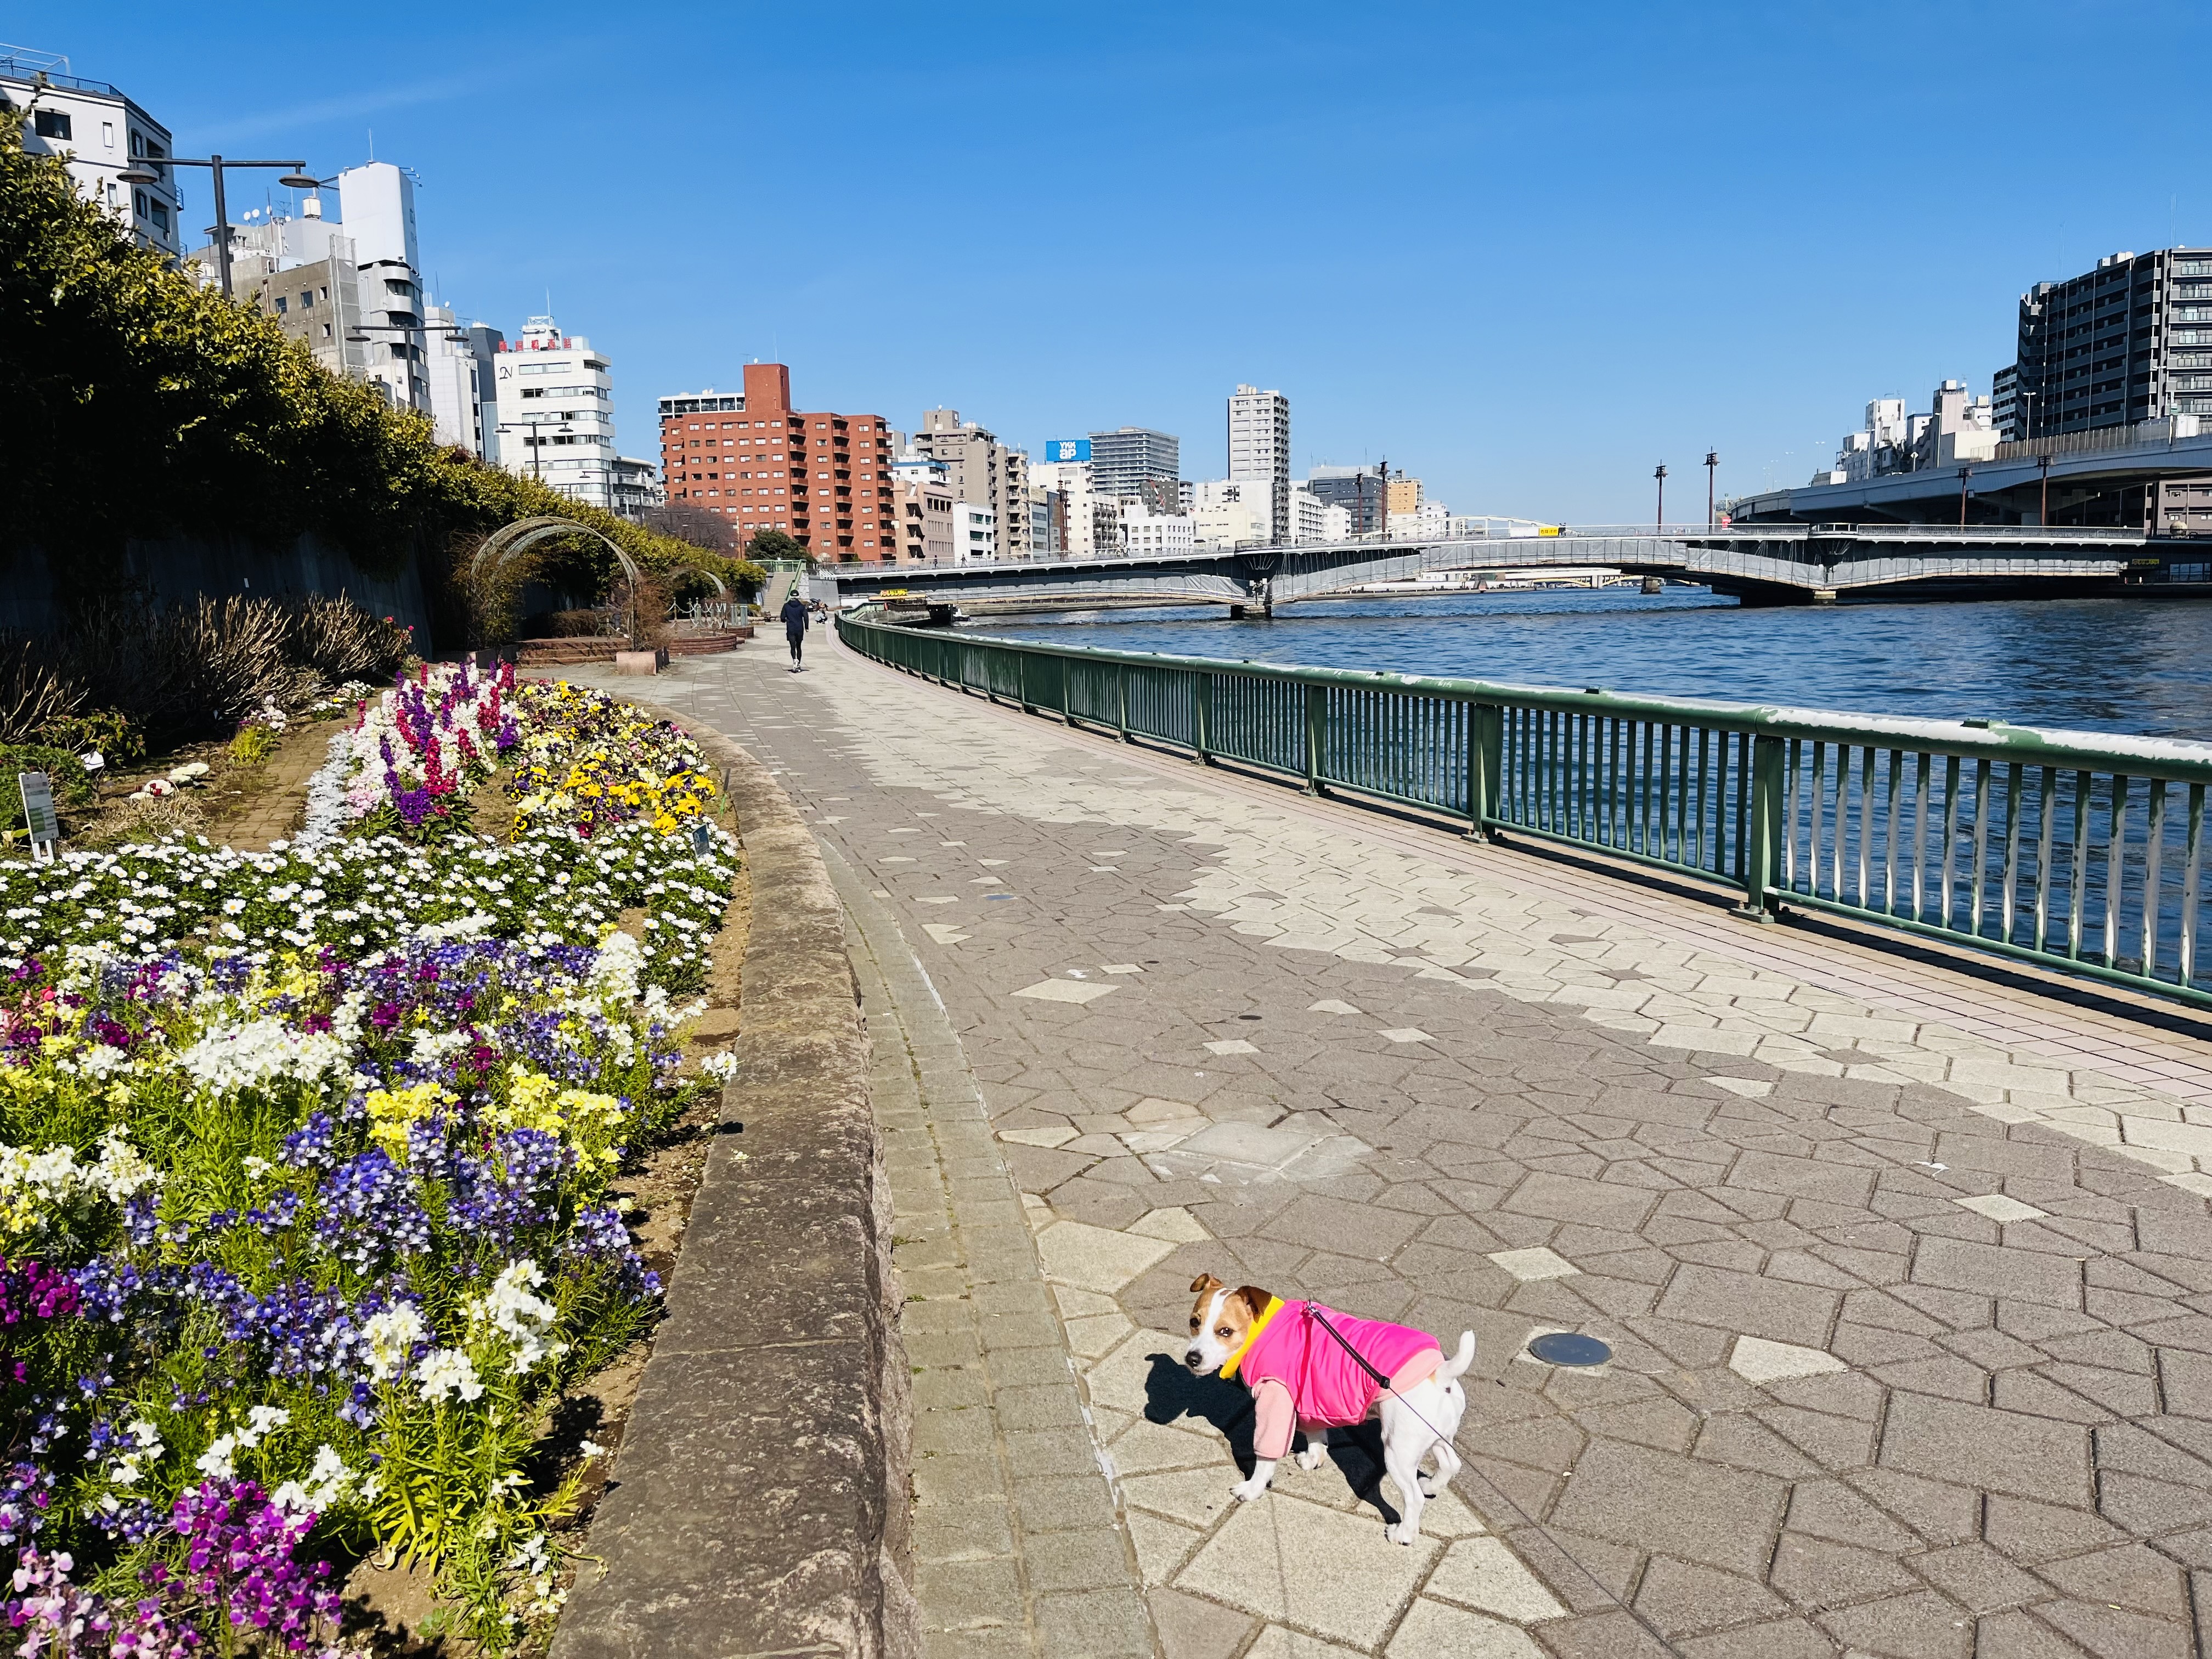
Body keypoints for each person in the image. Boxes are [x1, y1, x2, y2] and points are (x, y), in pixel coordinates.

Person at [780, 592, 809, 670]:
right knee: (799, 647)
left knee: (793, 647)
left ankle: (794, 660)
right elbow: (806, 617)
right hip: (800, 629)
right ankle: (798, 663)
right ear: (798, 597)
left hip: (791, 629)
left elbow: (782, 617)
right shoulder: (802, 607)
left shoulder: (786, 606)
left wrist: (784, 620)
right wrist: (807, 627)